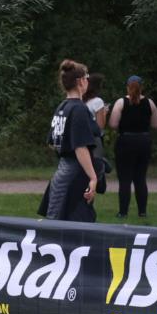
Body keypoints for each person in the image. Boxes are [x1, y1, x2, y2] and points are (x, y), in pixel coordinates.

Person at [38, 59, 100, 223]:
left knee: (57, 221)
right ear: (80, 82)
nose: (88, 81)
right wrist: (93, 177)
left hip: (61, 173)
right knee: (77, 226)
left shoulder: (62, 107)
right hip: (75, 175)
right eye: (87, 77)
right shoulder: (79, 109)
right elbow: (80, 147)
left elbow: (53, 143)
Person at [109, 75, 157, 218]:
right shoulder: (150, 103)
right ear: (142, 87)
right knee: (140, 178)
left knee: (125, 179)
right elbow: (155, 124)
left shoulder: (121, 102)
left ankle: (123, 212)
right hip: (143, 141)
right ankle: (142, 212)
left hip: (125, 141)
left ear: (127, 87)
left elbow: (113, 124)